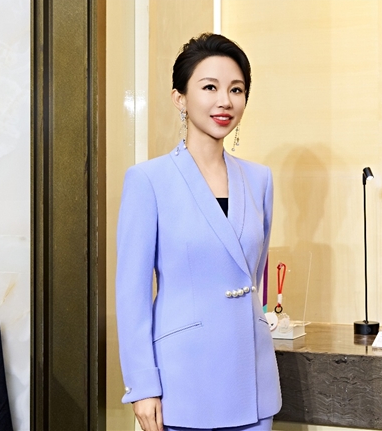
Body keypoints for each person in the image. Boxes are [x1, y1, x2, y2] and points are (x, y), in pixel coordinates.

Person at [115, 33, 282, 431]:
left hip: (253, 381)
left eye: (236, 90)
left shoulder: (259, 179)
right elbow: (131, 294)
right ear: (180, 99)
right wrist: (142, 385)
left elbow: (253, 274)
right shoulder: (148, 180)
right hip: (182, 385)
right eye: (210, 87)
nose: (225, 101)